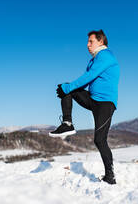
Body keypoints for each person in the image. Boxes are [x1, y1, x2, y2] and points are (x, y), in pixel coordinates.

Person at [49, 29, 120, 185]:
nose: (87, 45)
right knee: (67, 87)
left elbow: (89, 76)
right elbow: (87, 81)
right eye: (87, 42)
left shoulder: (106, 56)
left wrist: (69, 88)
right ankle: (67, 124)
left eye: (91, 41)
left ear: (101, 42)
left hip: (105, 104)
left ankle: (110, 176)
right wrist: (67, 88)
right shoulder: (94, 60)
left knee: (100, 140)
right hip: (93, 99)